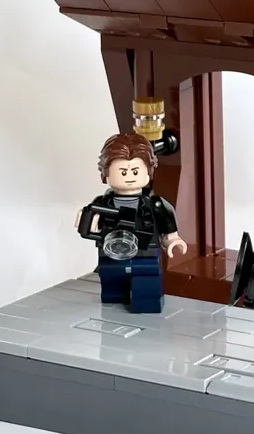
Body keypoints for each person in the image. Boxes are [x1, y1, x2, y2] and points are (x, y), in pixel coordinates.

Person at [75, 133, 188, 313]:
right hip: (111, 253)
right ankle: (113, 308)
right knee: (111, 289)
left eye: (135, 171)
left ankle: (145, 304)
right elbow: (89, 224)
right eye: (122, 172)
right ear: (106, 173)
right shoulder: (102, 203)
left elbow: (167, 224)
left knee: (147, 288)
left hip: (146, 252)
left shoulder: (154, 204)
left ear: (149, 171)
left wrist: (172, 240)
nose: (129, 177)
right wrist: (86, 221)